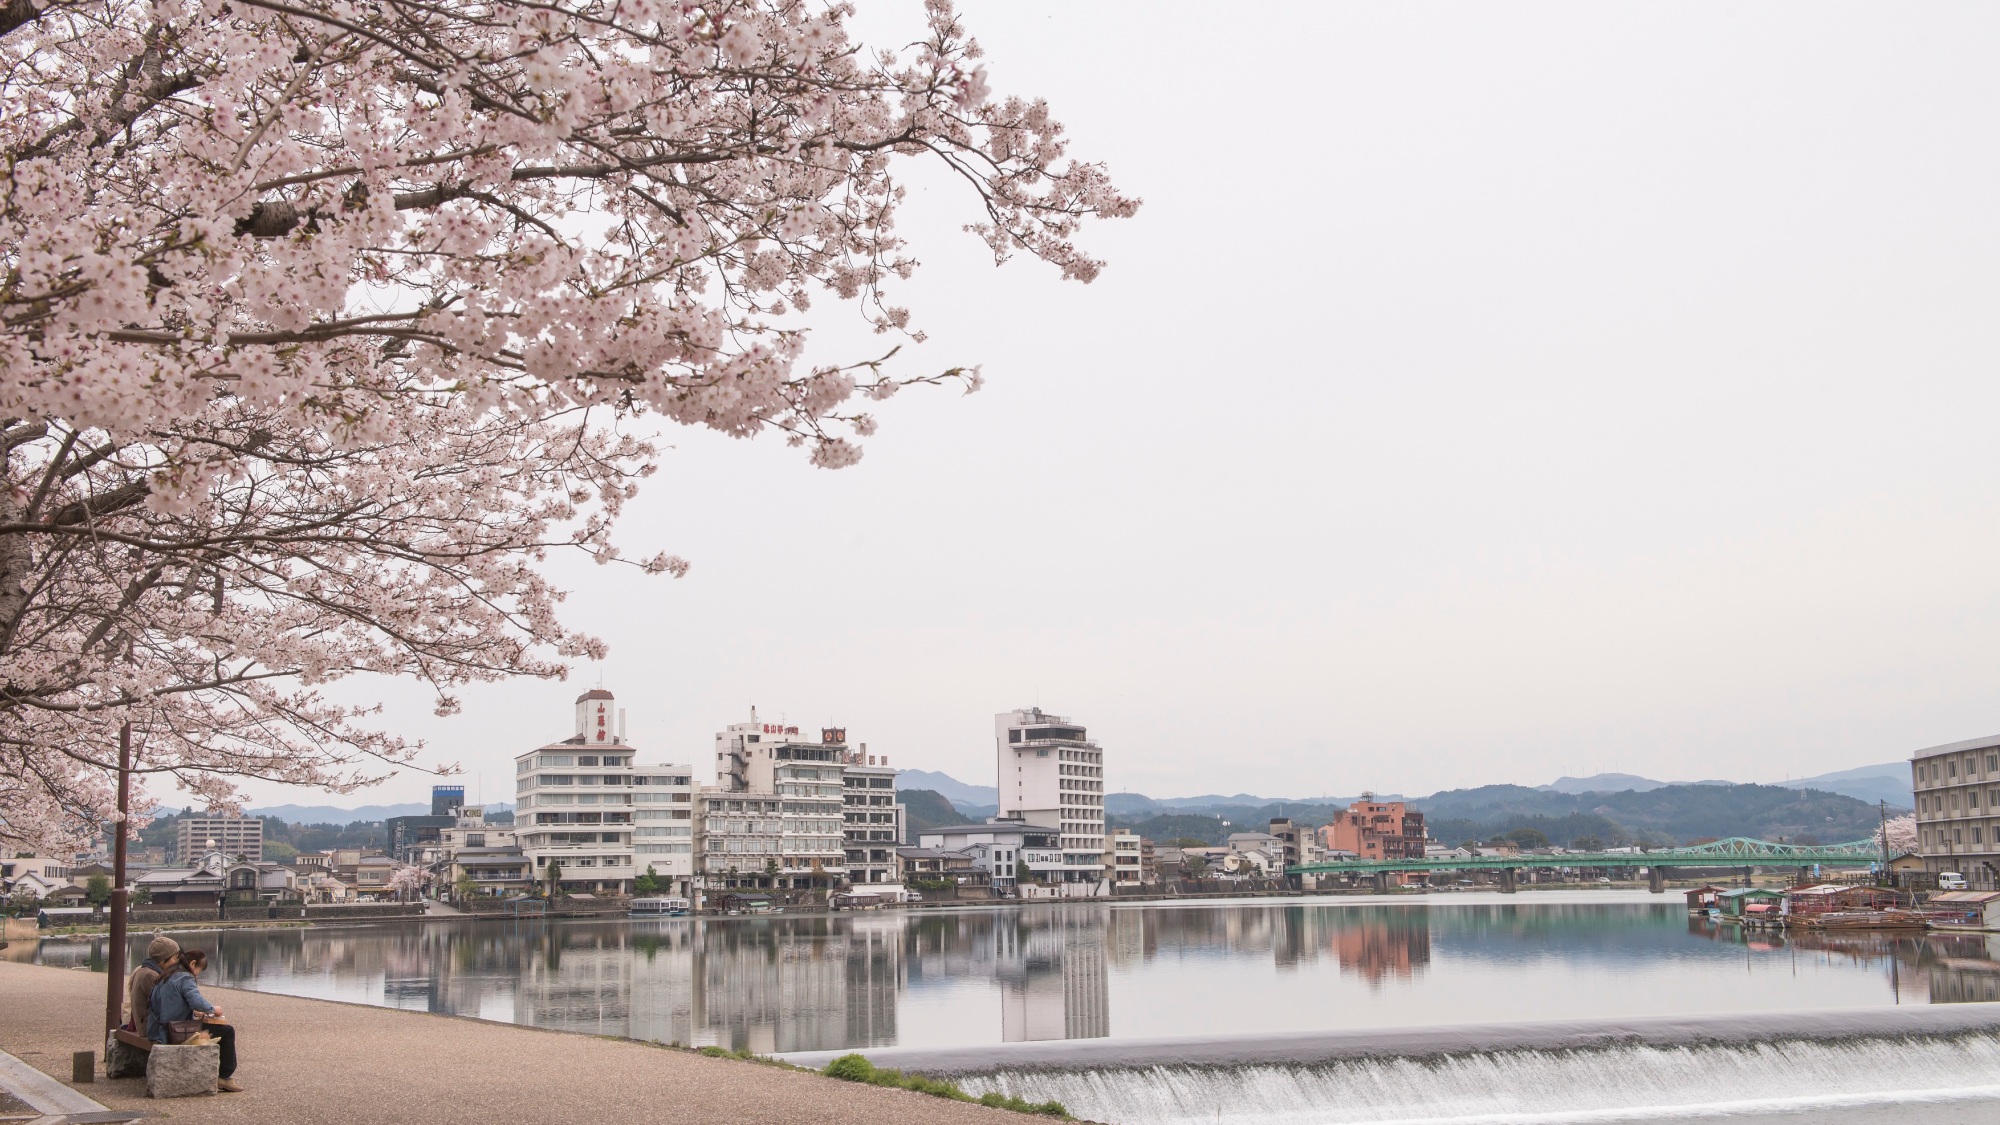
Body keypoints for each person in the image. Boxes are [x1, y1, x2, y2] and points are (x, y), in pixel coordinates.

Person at [147, 948, 242, 1092]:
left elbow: (172, 1002)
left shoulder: (167, 975)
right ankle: (224, 1076)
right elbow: (196, 1000)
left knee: (214, 1029)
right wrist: (213, 1009)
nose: (198, 974)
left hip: (156, 1029)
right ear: (192, 964)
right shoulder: (185, 977)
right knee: (227, 1031)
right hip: (172, 1031)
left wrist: (194, 1011)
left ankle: (222, 1076)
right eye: (199, 970)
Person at [125, 934, 178, 1034]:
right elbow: (165, 1004)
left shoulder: (145, 971)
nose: (176, 962)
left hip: (148, 1025)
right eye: (174, 958)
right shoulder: (151, 975)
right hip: (150, 1029)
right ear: (163, 959)